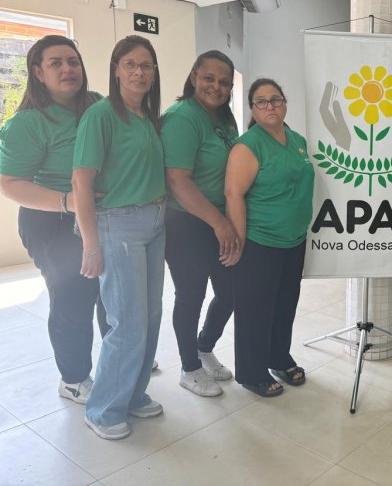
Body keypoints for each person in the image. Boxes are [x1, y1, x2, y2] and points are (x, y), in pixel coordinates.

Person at [0, 35, 104, 404]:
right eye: (56, 63)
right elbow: (10, 184)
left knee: (110, 293)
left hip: (100, 214)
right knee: (73, 299)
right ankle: (74, 377)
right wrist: (68, 201)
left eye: (73, 61)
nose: (67, 69)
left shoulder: (97, 105)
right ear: (38, 73)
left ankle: (118, 356)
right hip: (52, 220)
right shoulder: (28, 123)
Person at [72, 35, 166, 440]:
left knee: (150, 317)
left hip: (155, 221)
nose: (139, 72)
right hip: (118, 225)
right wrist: (91, 244)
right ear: (116, 69)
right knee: (126, 323)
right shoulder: (100, 115)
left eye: (146, 65)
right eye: (130, 64)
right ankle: (103, 409)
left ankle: (132, 393)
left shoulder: (147, 116)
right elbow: (81, 181)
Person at [224, 78, 314, 397]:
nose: (270, 106)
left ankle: (279, 356)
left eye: (275, 99)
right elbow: (233, 194)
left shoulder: (297, 139)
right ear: (252, 109)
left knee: (284, 304)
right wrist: (239, 241)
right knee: (255, 310)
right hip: (260, 242)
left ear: (285, 103)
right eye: (261, 101)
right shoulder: (248, 145)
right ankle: (251, 371)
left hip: (293, 241)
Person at [161, 50, 240, 397]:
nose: (216, 86)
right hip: (186, 223)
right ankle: (189, 368)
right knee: (191, 295)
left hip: (219, 220)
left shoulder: (225, 119)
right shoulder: (181, 117)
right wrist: (219, 223)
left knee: (230, 292)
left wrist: (229, 221)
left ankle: (204, 347)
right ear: (194, 77)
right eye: (209, 78)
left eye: (224, 82)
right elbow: (179, 181)